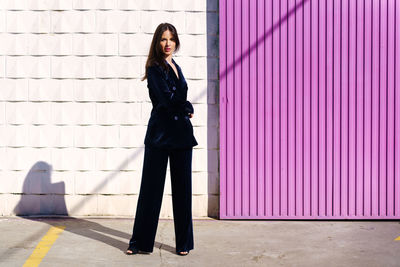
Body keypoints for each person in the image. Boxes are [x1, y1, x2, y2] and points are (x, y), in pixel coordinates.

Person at [126, 23, 198, 256]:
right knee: (151, 190)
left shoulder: (176, 66)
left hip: (182, 137)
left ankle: (184, 244)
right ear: (157, 42)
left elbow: (177, 95)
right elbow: (166, 99)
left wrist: (184, 107)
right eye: (163, 39)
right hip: (159, 136)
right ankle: (140, 243)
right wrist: (186, 106)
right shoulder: (155, 68)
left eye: (171, 39)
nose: (167, 43)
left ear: (176, 42)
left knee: (183, 191)